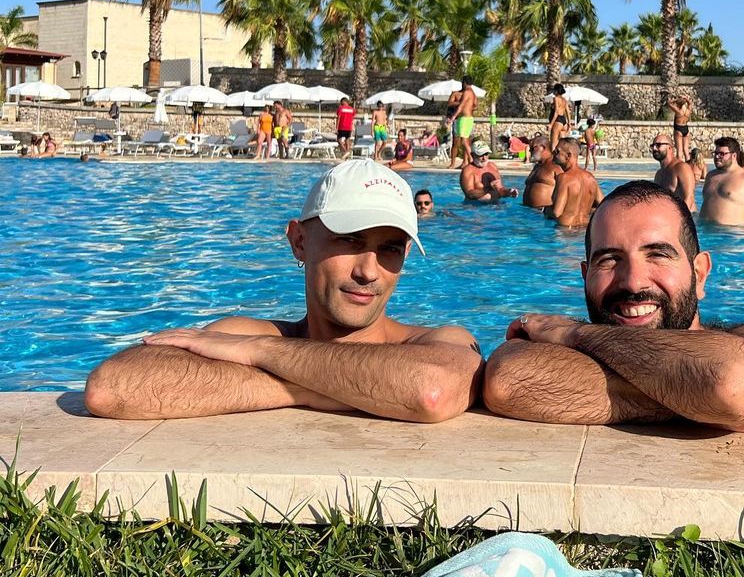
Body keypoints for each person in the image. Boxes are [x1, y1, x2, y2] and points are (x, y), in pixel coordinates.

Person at [84, 161, 482, 422]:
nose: (367, 271)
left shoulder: (440, 341)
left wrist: (264, 355)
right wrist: (350, 387)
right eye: (348, 241)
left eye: (390, 249)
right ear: (300, 242)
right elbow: (111, 388)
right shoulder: (243, 331)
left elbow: (429, 392)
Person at [483, 182, 744, 441]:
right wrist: (711, 404)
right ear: (586, 276)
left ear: (700, 274)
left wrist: (574, 333)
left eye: (658, 255)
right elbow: (507, 379)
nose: (633, 282)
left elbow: (730, 381)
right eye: (609, 259)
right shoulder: (555, 346)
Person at [700, 137, 744, 227]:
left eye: (721, 154)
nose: (717, 157)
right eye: (715, 153)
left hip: (732, 233)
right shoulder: (710, 176)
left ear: (734, 156)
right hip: (705, 231)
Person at [545, 138, 602, 230]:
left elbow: (557, 212)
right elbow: (603, 204)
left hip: (566, 230)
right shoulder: (590, 178)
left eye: (557, 151)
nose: (553, 153)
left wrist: (546, 210)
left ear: (568, 155)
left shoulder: (564, 178)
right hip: (584, 229)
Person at [650, 131, 697, 213]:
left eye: (658, 145)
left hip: (688, 216)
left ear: (670, 148)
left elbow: (689, 198)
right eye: (652, 145)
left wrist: (681, 219)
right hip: (670, 216)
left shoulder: (682, 168)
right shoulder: (659, 174)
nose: (654, 148)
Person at [447, 78, 478, 169]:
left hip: (465, 118)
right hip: (459, 119)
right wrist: (460, 103)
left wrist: (466, 106)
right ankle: (453, 163)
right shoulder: (456, 93)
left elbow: (475, 106)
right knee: (456, 142)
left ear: (464, 83)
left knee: (465, 141)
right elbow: (450, 103)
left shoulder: (469, 93)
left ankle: (468, 161)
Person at [523, 136, 560, 209]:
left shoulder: (556, 166)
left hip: (543, 212)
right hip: (527, 211)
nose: (530, 151)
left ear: (542, 147)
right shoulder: (537, 166)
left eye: (532, 148)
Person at [667, 94, 692, 164]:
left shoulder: (678, 110)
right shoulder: (688, 110)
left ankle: (679, 166)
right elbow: (690, 103)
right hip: (686, 129)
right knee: (686, 151)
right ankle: (688, 166)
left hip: (678, 129)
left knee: (679, 150)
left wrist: (676, 99)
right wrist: (686, 98)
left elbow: (669, 103)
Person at [547, 83, 571, 154]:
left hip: (557, 121)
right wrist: (569, 124)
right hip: (564, 122)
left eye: (554, 90)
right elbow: (568, 112)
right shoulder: (564, 100)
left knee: (553, 144)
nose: (553, 91)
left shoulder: (556, 98)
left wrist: (551, 124)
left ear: (556, 91)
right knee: (562, 144)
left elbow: (556, 112)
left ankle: (553, 159)